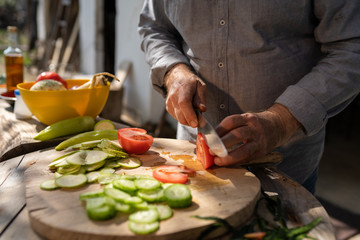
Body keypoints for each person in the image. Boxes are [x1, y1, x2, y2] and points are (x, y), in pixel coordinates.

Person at [138, 0, 360, 194]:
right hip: (192, 160)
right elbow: (154, 27)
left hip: (285, 166)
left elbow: (352, 48)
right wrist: (173, 71)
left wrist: (282, 121)